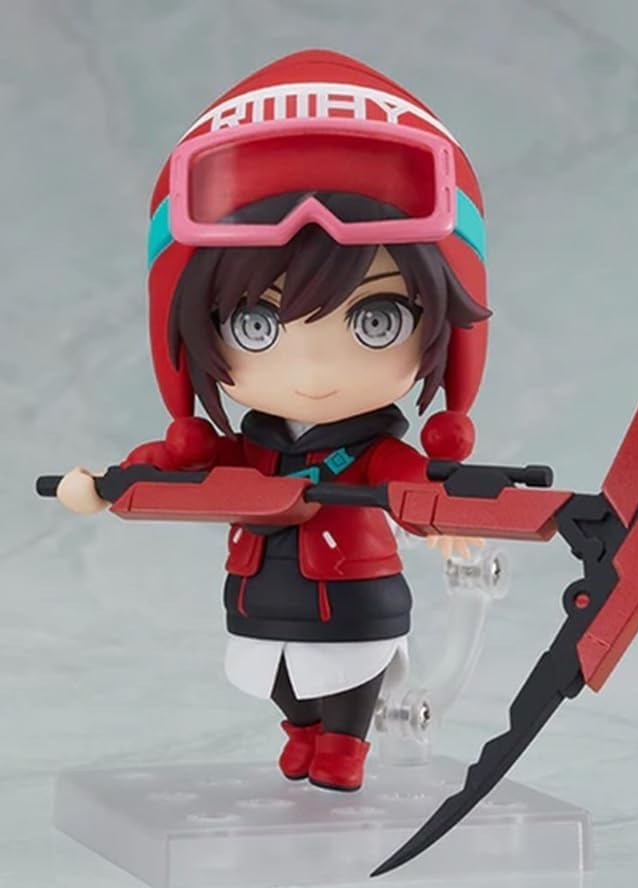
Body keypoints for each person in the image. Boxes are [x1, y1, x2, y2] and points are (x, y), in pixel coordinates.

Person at [56, 49, 491, 791]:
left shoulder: (372, 451)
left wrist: (444, 514)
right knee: (278, 678)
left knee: (351, 672)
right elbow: (184, 468)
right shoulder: (249, 448)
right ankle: (302, 728)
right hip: (258, 594)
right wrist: (110, 484)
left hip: (353, 596)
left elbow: (413, 480)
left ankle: (344, 743)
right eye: (256, 325)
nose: (314, 371)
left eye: (377, 320)